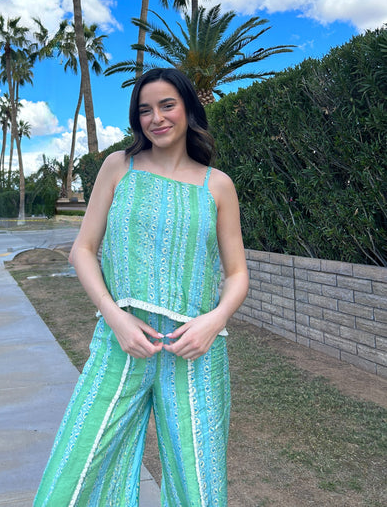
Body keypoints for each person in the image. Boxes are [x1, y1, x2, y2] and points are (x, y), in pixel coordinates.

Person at [34, 68, 249, 507]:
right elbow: (83, 249)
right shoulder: (119, 166)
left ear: (188, 108)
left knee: (198, 488)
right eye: (145, 110)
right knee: (77, 469)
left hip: (196, 355)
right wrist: (115, 317)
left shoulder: (218, 185)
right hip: (121, 342)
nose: (157, 118)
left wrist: (215, 320)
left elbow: (237, 274)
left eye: (167, 105)